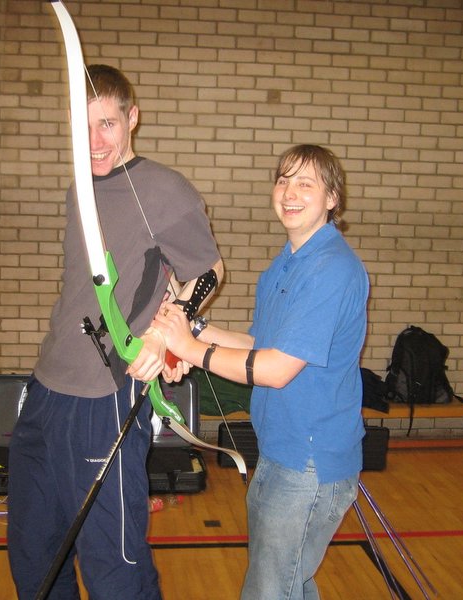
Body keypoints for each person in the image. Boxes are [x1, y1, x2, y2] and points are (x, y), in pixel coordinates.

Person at [6, 64, 223, 600]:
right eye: (83, 125)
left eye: (107, 123)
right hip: (46, 390)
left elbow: (207, 271)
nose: (95, 141)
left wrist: (163, 334)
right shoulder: (78, 190)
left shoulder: (164, 190)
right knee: (35, 553)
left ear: (132, 118)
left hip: (105, 398)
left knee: (113, 565)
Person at [153, 144, 369, 600]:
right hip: (279, 451)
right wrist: (194, 330)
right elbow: (260, 346)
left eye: (306, 183)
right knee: (289, 584)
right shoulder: (286, 264)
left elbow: (275, 370)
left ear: (332, 198)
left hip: (309, 463)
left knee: (270, 590)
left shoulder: (331, 269)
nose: (290, 192)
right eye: (283, 180)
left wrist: (189, 347)